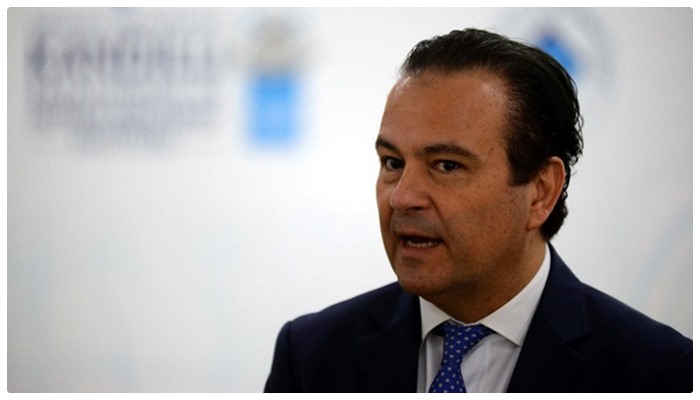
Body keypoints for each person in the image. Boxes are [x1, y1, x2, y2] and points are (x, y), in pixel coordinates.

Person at [264, 28, 692, 393]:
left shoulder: (660, 373)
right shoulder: (310, 357)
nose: (402, 197)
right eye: (393, 163)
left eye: (447, 166)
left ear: (541, 192)